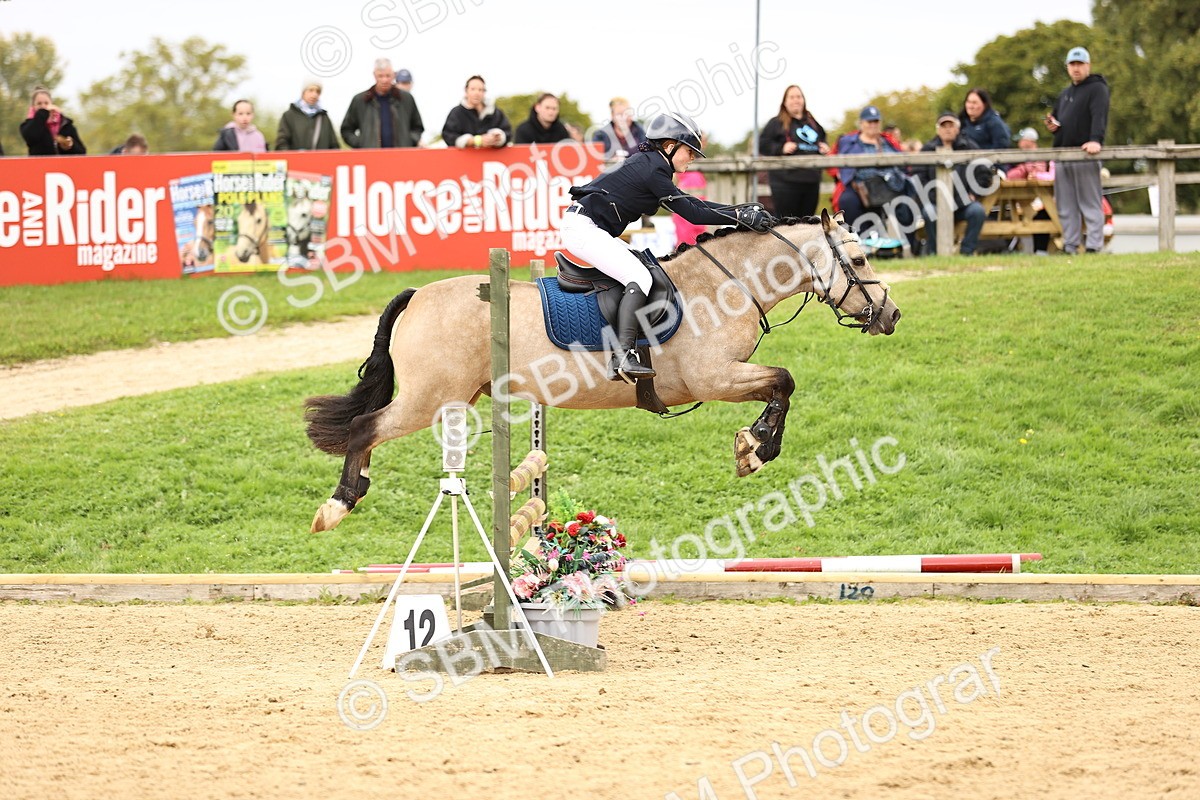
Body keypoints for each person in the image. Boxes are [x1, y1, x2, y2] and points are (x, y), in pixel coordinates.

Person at [561, 112, 774, 383]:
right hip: (583, 229)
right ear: (670, 146)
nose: (693, 158)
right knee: (639, 276)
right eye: (690, 151)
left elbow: (694, 204)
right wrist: (739, 216)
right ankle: (622, 357)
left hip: (588, 227)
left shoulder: (652, 164)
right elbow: (693, 214)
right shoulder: (653, 168)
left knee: (647, 271)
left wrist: (739, 211)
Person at [1047, 46, 1109, 254]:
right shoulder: (1065, 94)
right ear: (1067, 67)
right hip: (1063, 154)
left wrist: (1095, 139)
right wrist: (1054, 126)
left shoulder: (1097, 88)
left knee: (1090, 203)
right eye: (1072, 64)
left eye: (1080, 64)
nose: (1076, 69)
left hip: (1085, 153)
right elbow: (1059, 120)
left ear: (1088, 66)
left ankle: (1093, 245)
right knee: (1066, 205)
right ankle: (1070, 244)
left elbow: (1099, 115)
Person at [832, 105, 916, 246]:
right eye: (869, 122)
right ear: (861, 124)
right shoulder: (849, 142)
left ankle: (911, 247)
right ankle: (857, 245)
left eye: (875, 121)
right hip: (860, 187)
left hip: (890, 186)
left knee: (908, 201)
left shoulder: (888, 142)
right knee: (847, 201)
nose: (872, 125)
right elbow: (834, 163)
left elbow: (903, 163)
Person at [914, 112, 990, 256]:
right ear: (938, 129)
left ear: (958, 128)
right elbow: (919, 177)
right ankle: (934, 253)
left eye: (951, 125)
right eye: (944, 126)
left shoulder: (970, 147)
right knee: (929, 212)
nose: (947, 129)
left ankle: (966, 252)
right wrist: (933, 197)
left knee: (978, 211)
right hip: (936, 202)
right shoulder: (927, 149)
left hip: (963, 203)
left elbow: (984, 173)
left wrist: (974, 193)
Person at [757, 84, 829, 218]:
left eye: (799, 97)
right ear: (785, 102)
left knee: (807, 224)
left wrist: (823, 146)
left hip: (811, 181)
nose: (796, 100)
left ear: (803, 100)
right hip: (785, 183)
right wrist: (781, 148)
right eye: (792, 97)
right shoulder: (776, 123)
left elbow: (823, 138)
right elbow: (762, 144)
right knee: (787, 224)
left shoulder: (812, 122)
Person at [341, 58, 424, 149]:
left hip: (401, 157)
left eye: (388, 76)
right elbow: (346, 130)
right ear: (374, 75)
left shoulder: (406, 99)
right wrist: (361, 144)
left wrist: (408, 141)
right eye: (380, 76)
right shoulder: (360, 100)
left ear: (393, 75)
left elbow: (417, 127)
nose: (384, 80)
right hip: (371, 158)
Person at [1003, 127, 1054, 254]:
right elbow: (1010, 175)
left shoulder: (1039, 158)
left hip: (1042, 198)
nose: (1019, 143)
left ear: (1029, 141)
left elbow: (1042, 177)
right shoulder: (1020, 158)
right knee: (1022, 213)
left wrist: (1028, 171)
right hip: (1025, 198)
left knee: (1039, 213)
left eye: (1021, 140)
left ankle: (1040, 250)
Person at [442, 75, 512, 149]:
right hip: (465, 158)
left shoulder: (496, 113)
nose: (477, 93)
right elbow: (448, 136)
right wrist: (474, 141)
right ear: (466, 91)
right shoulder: (456, 113)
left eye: (480, 90)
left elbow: (508, 133)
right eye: (473, 89)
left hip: (492, 158)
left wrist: (497, 138)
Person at [276, 79, 340, 150]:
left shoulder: (324, 118)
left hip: (320, 161)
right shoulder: (289, 116)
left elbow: (334, 146)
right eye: (311, 90)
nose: (314, 94)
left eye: (318, 91)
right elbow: (282, 143)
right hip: (296, 160)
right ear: (303, 93)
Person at [20, 87, 86, 155]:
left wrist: (71, 146)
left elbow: (82, 152)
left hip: (63, 165)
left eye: (46, 103)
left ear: (51, 104)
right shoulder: (28, 125)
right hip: (40, 165)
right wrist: (43, 113)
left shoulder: (65, 124)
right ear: (33, 107)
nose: (43, 106)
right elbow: (31, 137)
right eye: (39, 104)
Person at [514, 93, 581, 144]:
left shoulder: (562, 131)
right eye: (547, 108)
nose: (551, 112)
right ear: (537, 107)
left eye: (554, 108)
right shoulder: (523, 130)